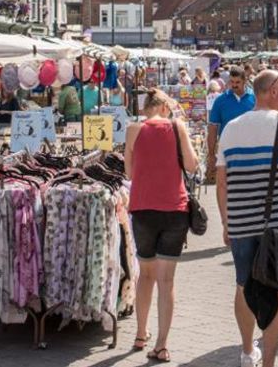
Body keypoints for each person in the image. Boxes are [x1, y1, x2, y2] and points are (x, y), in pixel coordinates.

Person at [216, 69, 278, 367]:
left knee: (244, 284)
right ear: (273, 90)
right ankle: (270, 361)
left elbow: (222, 181)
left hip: (241, 221)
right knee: (276, 289)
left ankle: (248, 351)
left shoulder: (231, 129)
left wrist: (226, 222)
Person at [125, 89, 200, 363]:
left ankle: (140, 333)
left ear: (146, 109)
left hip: (143, 208)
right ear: (166, 108)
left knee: (145, 275)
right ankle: (161, 345)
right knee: (166, 281)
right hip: (174, 209)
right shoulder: (177, 126)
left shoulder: (134, 129)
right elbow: (192, 165)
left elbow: (128, 173)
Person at [207, 66, 256, 178]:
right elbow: (213, 128)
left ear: (245, 80)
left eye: (238, 82)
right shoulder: (220, 100)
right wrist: (211, 154)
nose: (234, 85)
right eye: (232, 81)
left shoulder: (255, 98)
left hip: (251, 150)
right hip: (227, 150)